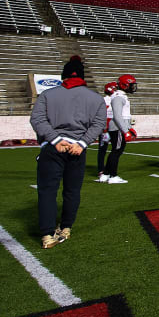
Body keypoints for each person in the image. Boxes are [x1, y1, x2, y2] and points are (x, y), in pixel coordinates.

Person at [30, 56, 107, 249]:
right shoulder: (96, 99)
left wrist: (55, 139)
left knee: (47, 192)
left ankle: (47, 234)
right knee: (72, 191)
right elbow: (98, 124)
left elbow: (37, 120)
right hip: (77, 149)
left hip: (52, 147)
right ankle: (65, 228)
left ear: (63, 76)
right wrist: (82, 143)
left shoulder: (47, 95)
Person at [101, 74, 137, 184]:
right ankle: (113, 176)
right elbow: (117, 115)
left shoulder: (119, 95)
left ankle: (106, 174)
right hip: (118, 127)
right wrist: (125, 130)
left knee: (115, 151)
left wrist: (129, 127)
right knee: (117, 151)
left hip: (119, 126)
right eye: (131, 85)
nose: (132, 87)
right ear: (124, 85)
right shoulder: (118, 96)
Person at [96, 81, 117, 180]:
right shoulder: (105, 100)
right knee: (106, 149)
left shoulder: (113, 99)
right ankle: (103, 169)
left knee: (105, 150)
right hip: (108, 127)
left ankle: (105, 169)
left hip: (108, 127)